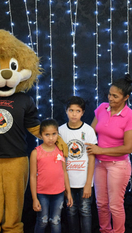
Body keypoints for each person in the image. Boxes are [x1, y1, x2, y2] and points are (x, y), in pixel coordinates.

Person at [86, 74, 132, 233]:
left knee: (115, 205)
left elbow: (128, 148)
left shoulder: (131, 117)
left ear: (126, 98)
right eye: (109, 94)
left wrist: (100, 150)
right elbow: (91, 132)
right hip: (99, 164)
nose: (110, 98)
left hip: (118, 166)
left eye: (115, 96)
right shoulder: (102, 108)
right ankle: (104, 231)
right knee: (101, 204)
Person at [58, 96, 98, 233]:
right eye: (71, 110)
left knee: (86, 211)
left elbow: (92, 158)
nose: (74, 114)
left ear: (83, 112)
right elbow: (59, 158)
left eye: (77, 111)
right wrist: (63, 183)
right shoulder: (60, 131)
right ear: (66, 111)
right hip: (68, 182)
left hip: (84, 181)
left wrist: (88, 183)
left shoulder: (88, 131)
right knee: (71, 211)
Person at [30, 119, 73, 233]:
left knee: (55, 221)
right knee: (42, 221)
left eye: (54, 134)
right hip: (42, 193)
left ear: (58, 134)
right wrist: (34, 198)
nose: (51, 138)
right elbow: (33, 176)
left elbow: (64, 172)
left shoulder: (61, 150)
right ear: (41, 135)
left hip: (58, 193)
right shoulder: (36, 152)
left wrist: (68, 192)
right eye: (47, 134)